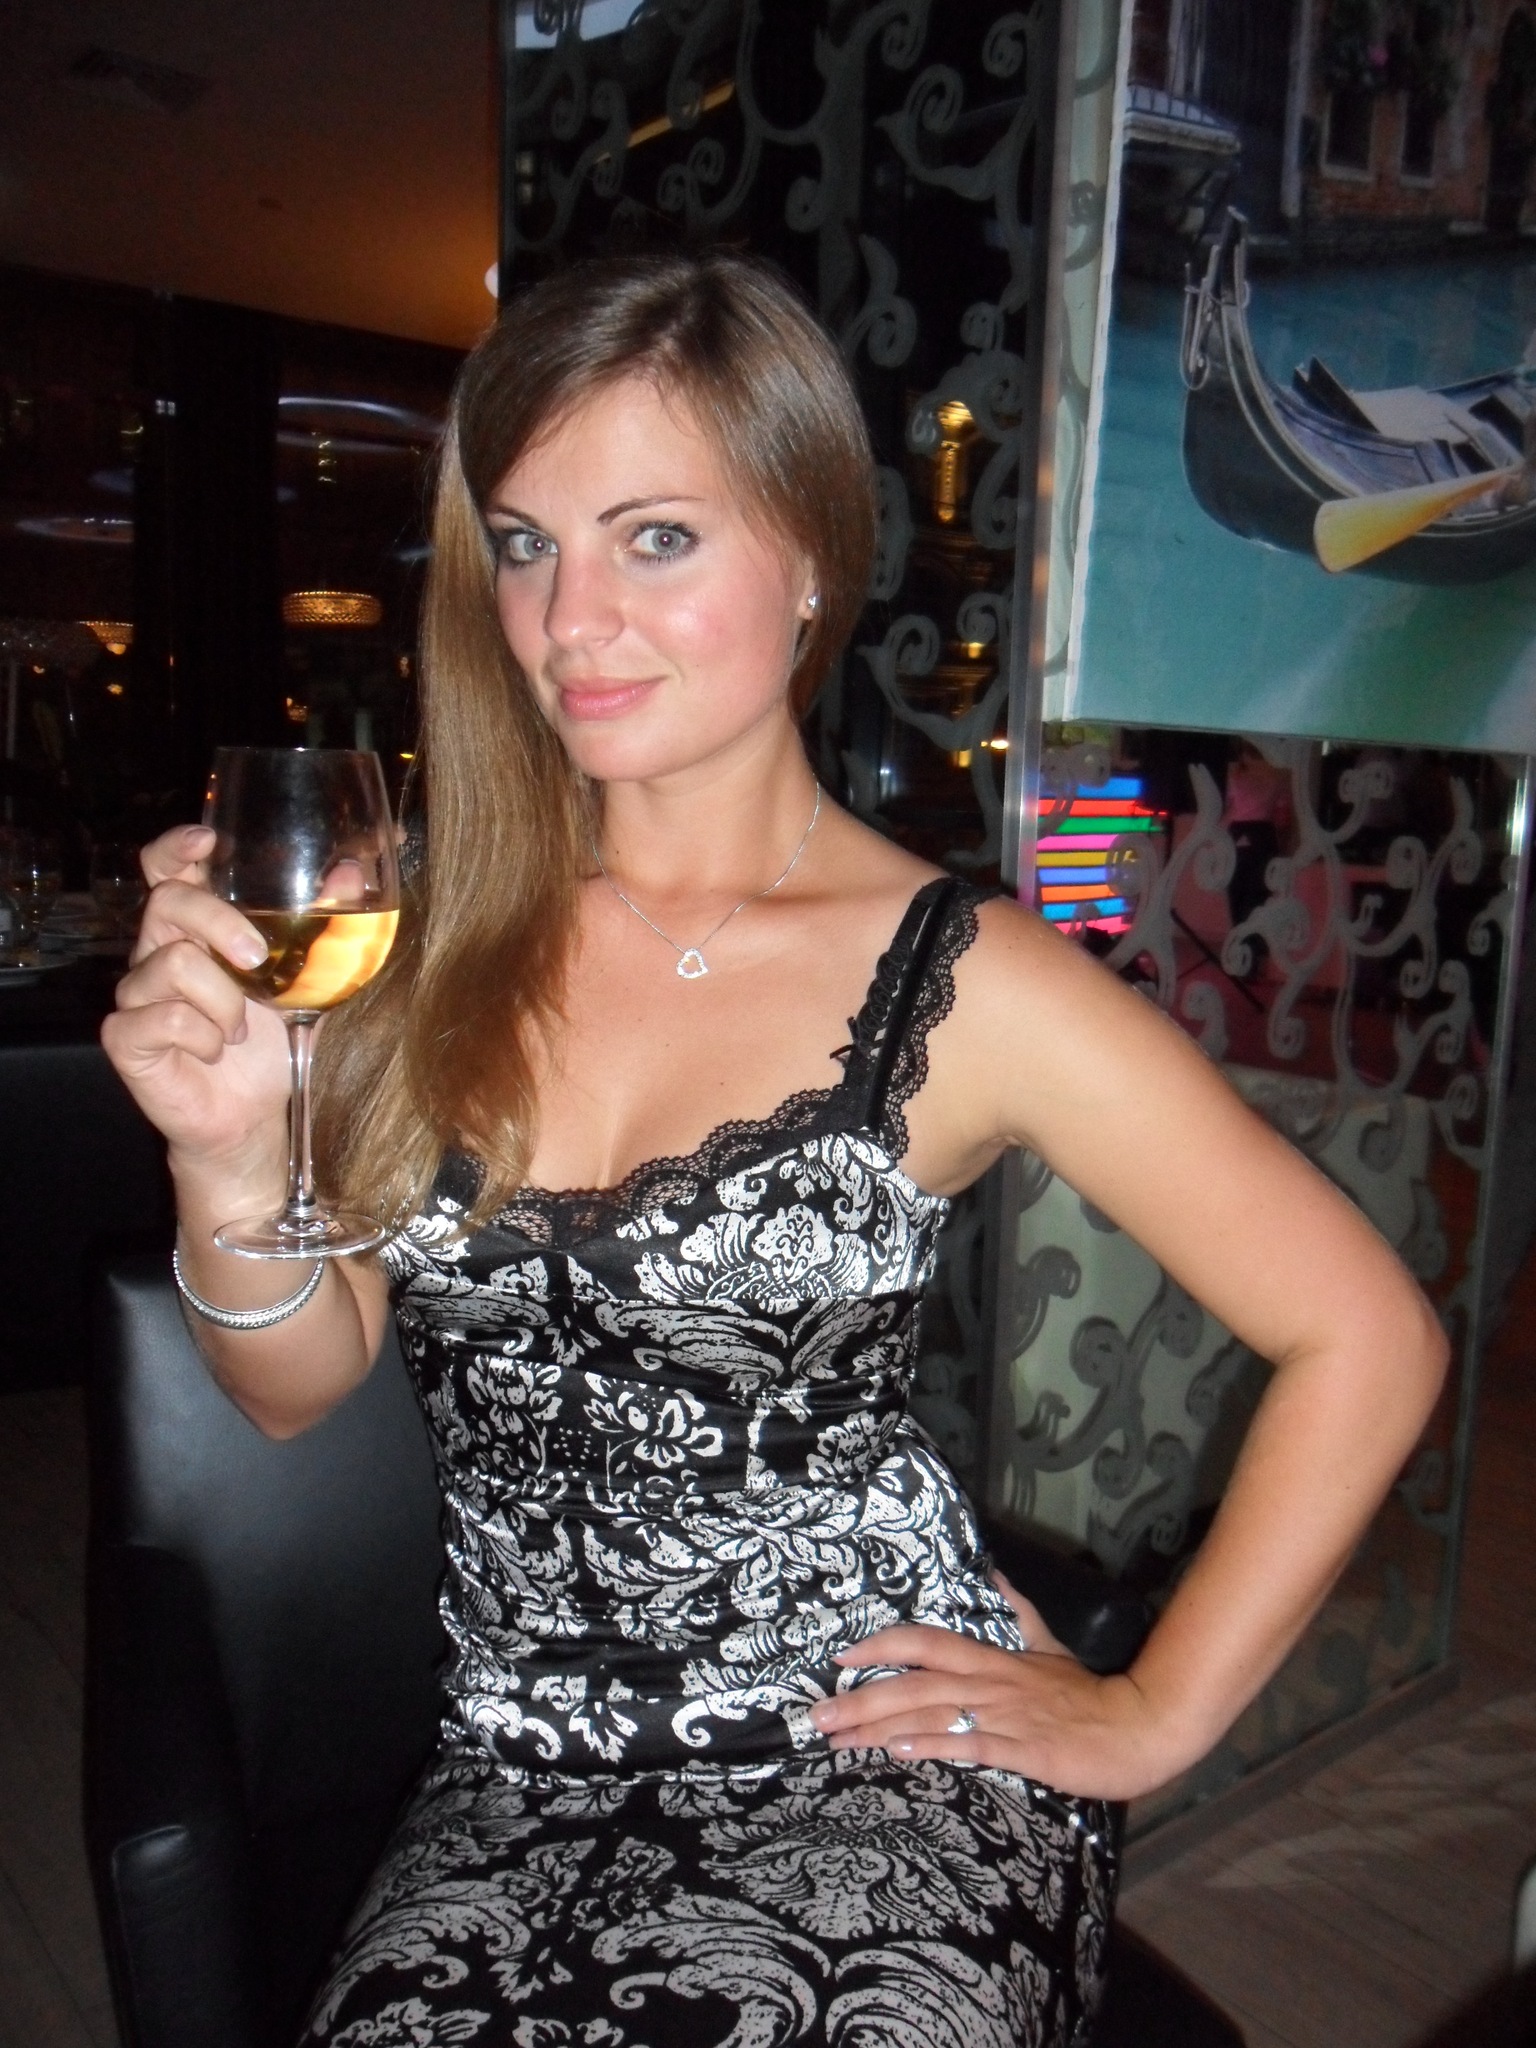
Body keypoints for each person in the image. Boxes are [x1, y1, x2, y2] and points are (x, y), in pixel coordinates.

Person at [103, 251, 1447, 2048]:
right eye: (526, 546)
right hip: (517, 1761)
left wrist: (1156, 1711)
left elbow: (1367, 1334)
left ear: (810, 556)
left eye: (654, 537)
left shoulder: (957, 980)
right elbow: (295, 1385)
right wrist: (224, 1151)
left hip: (874, 1740)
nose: (572, 618)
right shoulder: (410, 934)